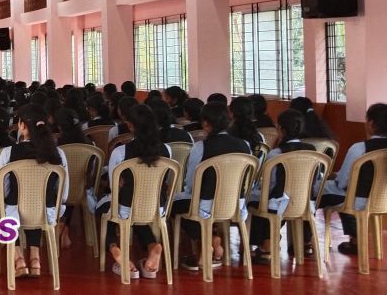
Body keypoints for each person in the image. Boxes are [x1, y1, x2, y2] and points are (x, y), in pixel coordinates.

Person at [92, 105, 171, 279]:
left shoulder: (121, 152)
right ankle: (152, 246)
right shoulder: (167, 150)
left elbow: (114, 186)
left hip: (126, 206)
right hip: (156, 207)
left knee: (104, 209)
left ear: (130, 125)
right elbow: (166, 180)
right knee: (138, 216)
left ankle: (116, 249)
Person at [170, 102, 250, 271]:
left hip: (206, 205)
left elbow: (192, 182)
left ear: (205, 123)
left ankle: (206, 242)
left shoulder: (201, 147)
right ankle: (210, 241)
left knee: (174, 206)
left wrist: (188, 191)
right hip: (235, 204)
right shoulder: (245, 145)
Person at [0, 105, 68, 278]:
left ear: (22, 126)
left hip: (14, 212)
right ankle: (35, 259)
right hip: (47, 212)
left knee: (5, 209)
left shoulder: (8, 153)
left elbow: (3, 190)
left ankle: (19, 259)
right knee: (36, 206)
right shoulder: (58, 153)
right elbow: (63, 192)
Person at [248, 109, 317, 262]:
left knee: (257, 200)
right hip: (305, 203)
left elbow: (270, 185)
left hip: (279, 204)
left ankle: (266, 244)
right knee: (277, 200)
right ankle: (305, 241)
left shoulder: (276, 154)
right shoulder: (313, 151)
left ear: (280, 129)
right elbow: (316, 178)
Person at [319, 103, 387, 255]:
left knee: (319, 191)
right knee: (344, 193)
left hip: (358, 201)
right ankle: (355, 240)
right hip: (383, 200)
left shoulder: (359, 148)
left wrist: (334, 176)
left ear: (371, 123)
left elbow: (343, 182)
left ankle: (304, 241)